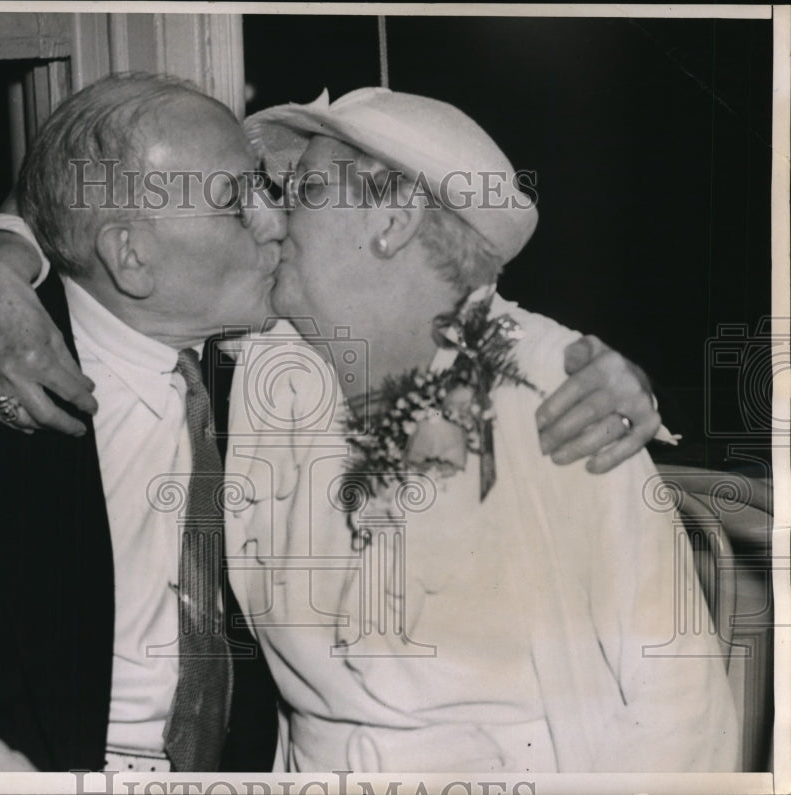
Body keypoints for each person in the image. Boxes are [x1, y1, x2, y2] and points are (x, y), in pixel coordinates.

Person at [0, 73, 660, 774]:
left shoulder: (276, 354)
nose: (275, 222)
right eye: (238, 203)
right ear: (131, 257)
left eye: (272, 191)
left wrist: (594, 375)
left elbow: (467, 322)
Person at [218, 87, 738, 771]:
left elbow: (682, 712)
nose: (277, 220)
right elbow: (108, 282)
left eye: (305, 191)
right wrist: (21, 259)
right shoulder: (273, 366)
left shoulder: (559, 396)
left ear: (395, 216)